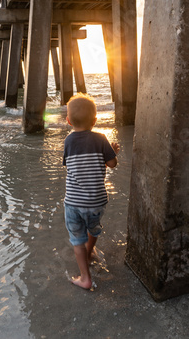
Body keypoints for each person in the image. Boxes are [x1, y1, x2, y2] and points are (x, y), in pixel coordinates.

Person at [63, 93, 120, 289]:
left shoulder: (68, 142)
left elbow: (69, 166)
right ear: (95, 120)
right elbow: (112, 164)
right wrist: (113, 152)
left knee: (77, 239)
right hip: (96, 201)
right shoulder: (101, 139)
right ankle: (90, 252)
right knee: (93, 228)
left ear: (68, 121)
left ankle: (85, 278)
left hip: (73, 202)